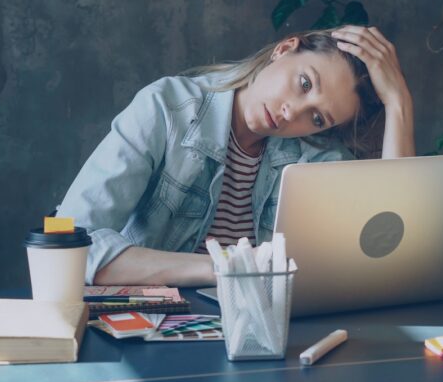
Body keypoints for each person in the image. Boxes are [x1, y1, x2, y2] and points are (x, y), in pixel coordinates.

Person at [56, 25, 414, 287]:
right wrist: (226, 267)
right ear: (285, 49)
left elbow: (389, 259)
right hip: (152, 332)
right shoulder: (165, 108)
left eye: (317, 118)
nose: (294, 113)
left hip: (262, 339)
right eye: (305, 83)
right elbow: (66, 243)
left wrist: (398, 104)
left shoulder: (316, 158)